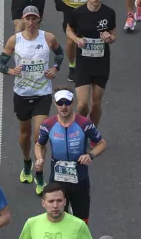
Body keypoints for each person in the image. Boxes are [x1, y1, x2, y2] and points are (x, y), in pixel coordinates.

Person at [0, 6, 65, 190]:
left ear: (39, 19)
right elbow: (0, 63)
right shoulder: (15, 40)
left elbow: (60, 54)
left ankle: (39, 173)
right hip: (22, 94)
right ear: (23, 19)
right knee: (25, 135)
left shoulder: (48, 38)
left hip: (42, 93)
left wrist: (55, 68)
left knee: (39, 135)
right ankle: (27, 161)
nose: (31, 22)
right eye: (28, 18)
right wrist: (11, 71)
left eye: (34, 18)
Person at [35, 89, 107, 217]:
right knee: (57, 217)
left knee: (82, 220)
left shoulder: (84, 123)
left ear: (72, 103)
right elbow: (39, 145)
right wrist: (40, 159)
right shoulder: (48, 125)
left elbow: (101, 143)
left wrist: (90, 155)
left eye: (67, 102)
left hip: (80, 177)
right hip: (57, 180)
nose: (63, 106)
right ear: (55, 103)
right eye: (60, 102)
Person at [64, 0, 117, 125]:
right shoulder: (78, 13)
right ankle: (81, 130)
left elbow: (113, 35)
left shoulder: (109, 13)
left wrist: (109, 38)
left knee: (96, 104)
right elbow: (69, 29)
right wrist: (76, 39)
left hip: (101, 63)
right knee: (81, 105)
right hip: (83, 63)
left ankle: (93, 132)